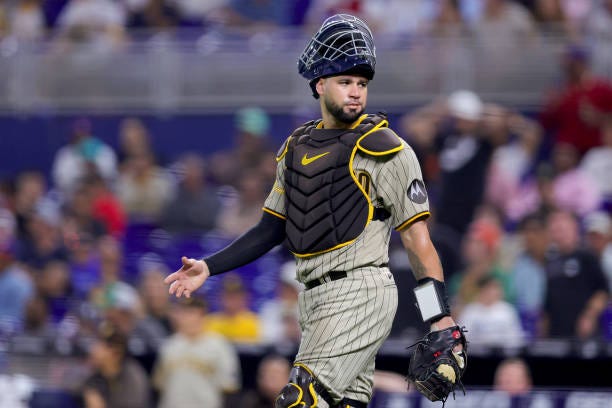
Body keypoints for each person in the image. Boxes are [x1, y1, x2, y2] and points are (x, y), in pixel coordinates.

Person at [164, 14, 465, 408]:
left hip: (361, 290)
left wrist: (439, 319)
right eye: (345, 81)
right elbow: (270, 229)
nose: (356, 91)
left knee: (299, 399)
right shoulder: (296, 146)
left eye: (361, 83)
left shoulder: (387, 149)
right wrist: (210, 266)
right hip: (313, 300)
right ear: (320, 84)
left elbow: (417, 241)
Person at [153, 296, 240, 408]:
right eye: (183, 312)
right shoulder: (169, 346)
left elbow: (229, 387)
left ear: (203, 315)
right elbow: (159, 386)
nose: (186, 318)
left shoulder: (219, 345)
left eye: (191, 312)